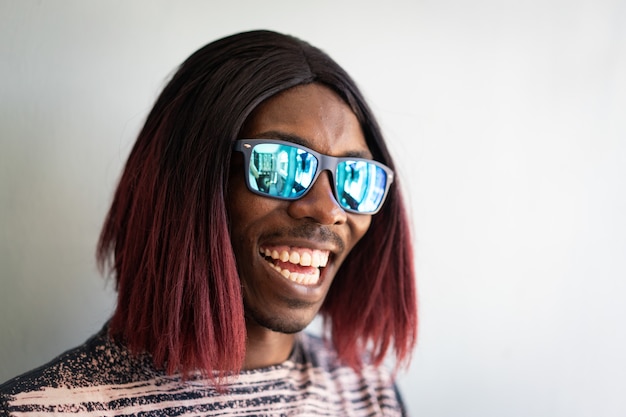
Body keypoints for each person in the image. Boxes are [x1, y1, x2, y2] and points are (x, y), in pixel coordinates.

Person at [0, 30, 417, 416]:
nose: (329, 210)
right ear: (186, 181)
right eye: (279, 165)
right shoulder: (44, 408)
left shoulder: (370, 392)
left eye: (355, 178)